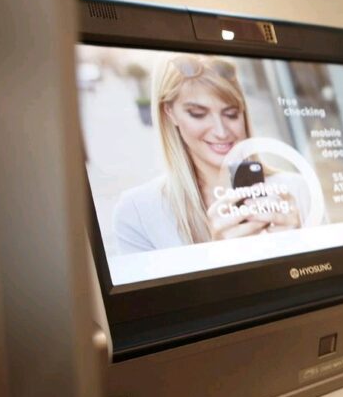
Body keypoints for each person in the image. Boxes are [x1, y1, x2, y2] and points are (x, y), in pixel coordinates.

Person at [113, 55, 307, 253]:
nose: (221, 131)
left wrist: (296, 247)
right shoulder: (137, 213)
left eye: (231, 114)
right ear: (169, 112)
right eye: (198, 114)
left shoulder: (296, 190)